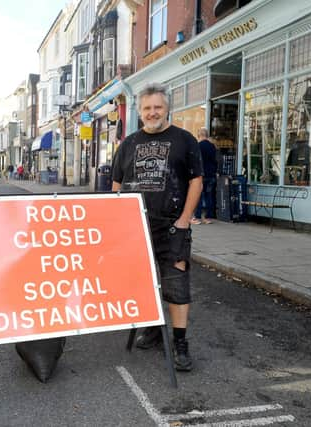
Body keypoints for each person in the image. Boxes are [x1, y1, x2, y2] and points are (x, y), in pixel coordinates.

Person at [111, 83, 203, 371]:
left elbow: (196, 181)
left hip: (172, 227)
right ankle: (152, 328)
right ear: (140, 112)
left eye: (158, 108)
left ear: (167, 109)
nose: (153, 113)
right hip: (135, 228)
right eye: (148, 108)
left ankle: (180, 343)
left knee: (176, 285)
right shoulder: (127, 144)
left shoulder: (185, 140)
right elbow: (115, 185)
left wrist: (184, 220)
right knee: (141, 283)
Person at [192, 127, 218, 225]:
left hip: (201, 174)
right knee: (208, 196)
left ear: (199, 135)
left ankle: (197, 217)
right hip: (211, 174)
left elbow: (196, 161)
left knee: (198, 195)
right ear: (207, 135)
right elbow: (215, 160)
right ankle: (207, 218)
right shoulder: (212, 146)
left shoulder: (198, 146)